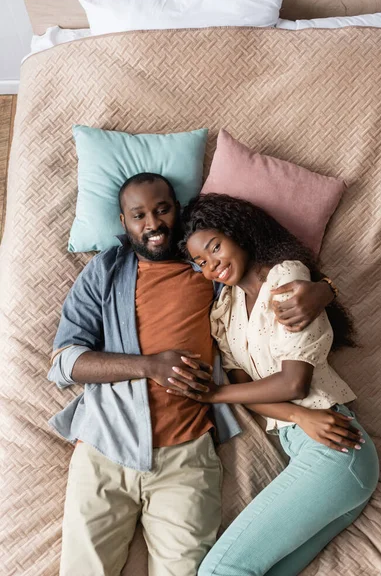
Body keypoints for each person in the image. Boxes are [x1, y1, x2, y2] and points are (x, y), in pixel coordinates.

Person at [48, 174, 350, 576]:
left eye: (162, 209)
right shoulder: (105, 271)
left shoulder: (210, 271)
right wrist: (149, 365)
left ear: (179, 209)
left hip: (188, 456)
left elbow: (267, 274)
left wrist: (323, 288)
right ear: (124, 222)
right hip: (106, 444)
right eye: (139, 215)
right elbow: (65, 363)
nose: (152, 223)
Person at [172, 193, 380, 576]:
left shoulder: (286, 277)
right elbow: (251, 391)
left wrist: (215, 394)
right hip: (308, 440)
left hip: (336, 447)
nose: (211, 266)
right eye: (200, 261)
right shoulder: (225, 310)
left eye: (215, 247)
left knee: (220, 570)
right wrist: (299, 417)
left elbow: (293, 382)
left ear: (239, 233)